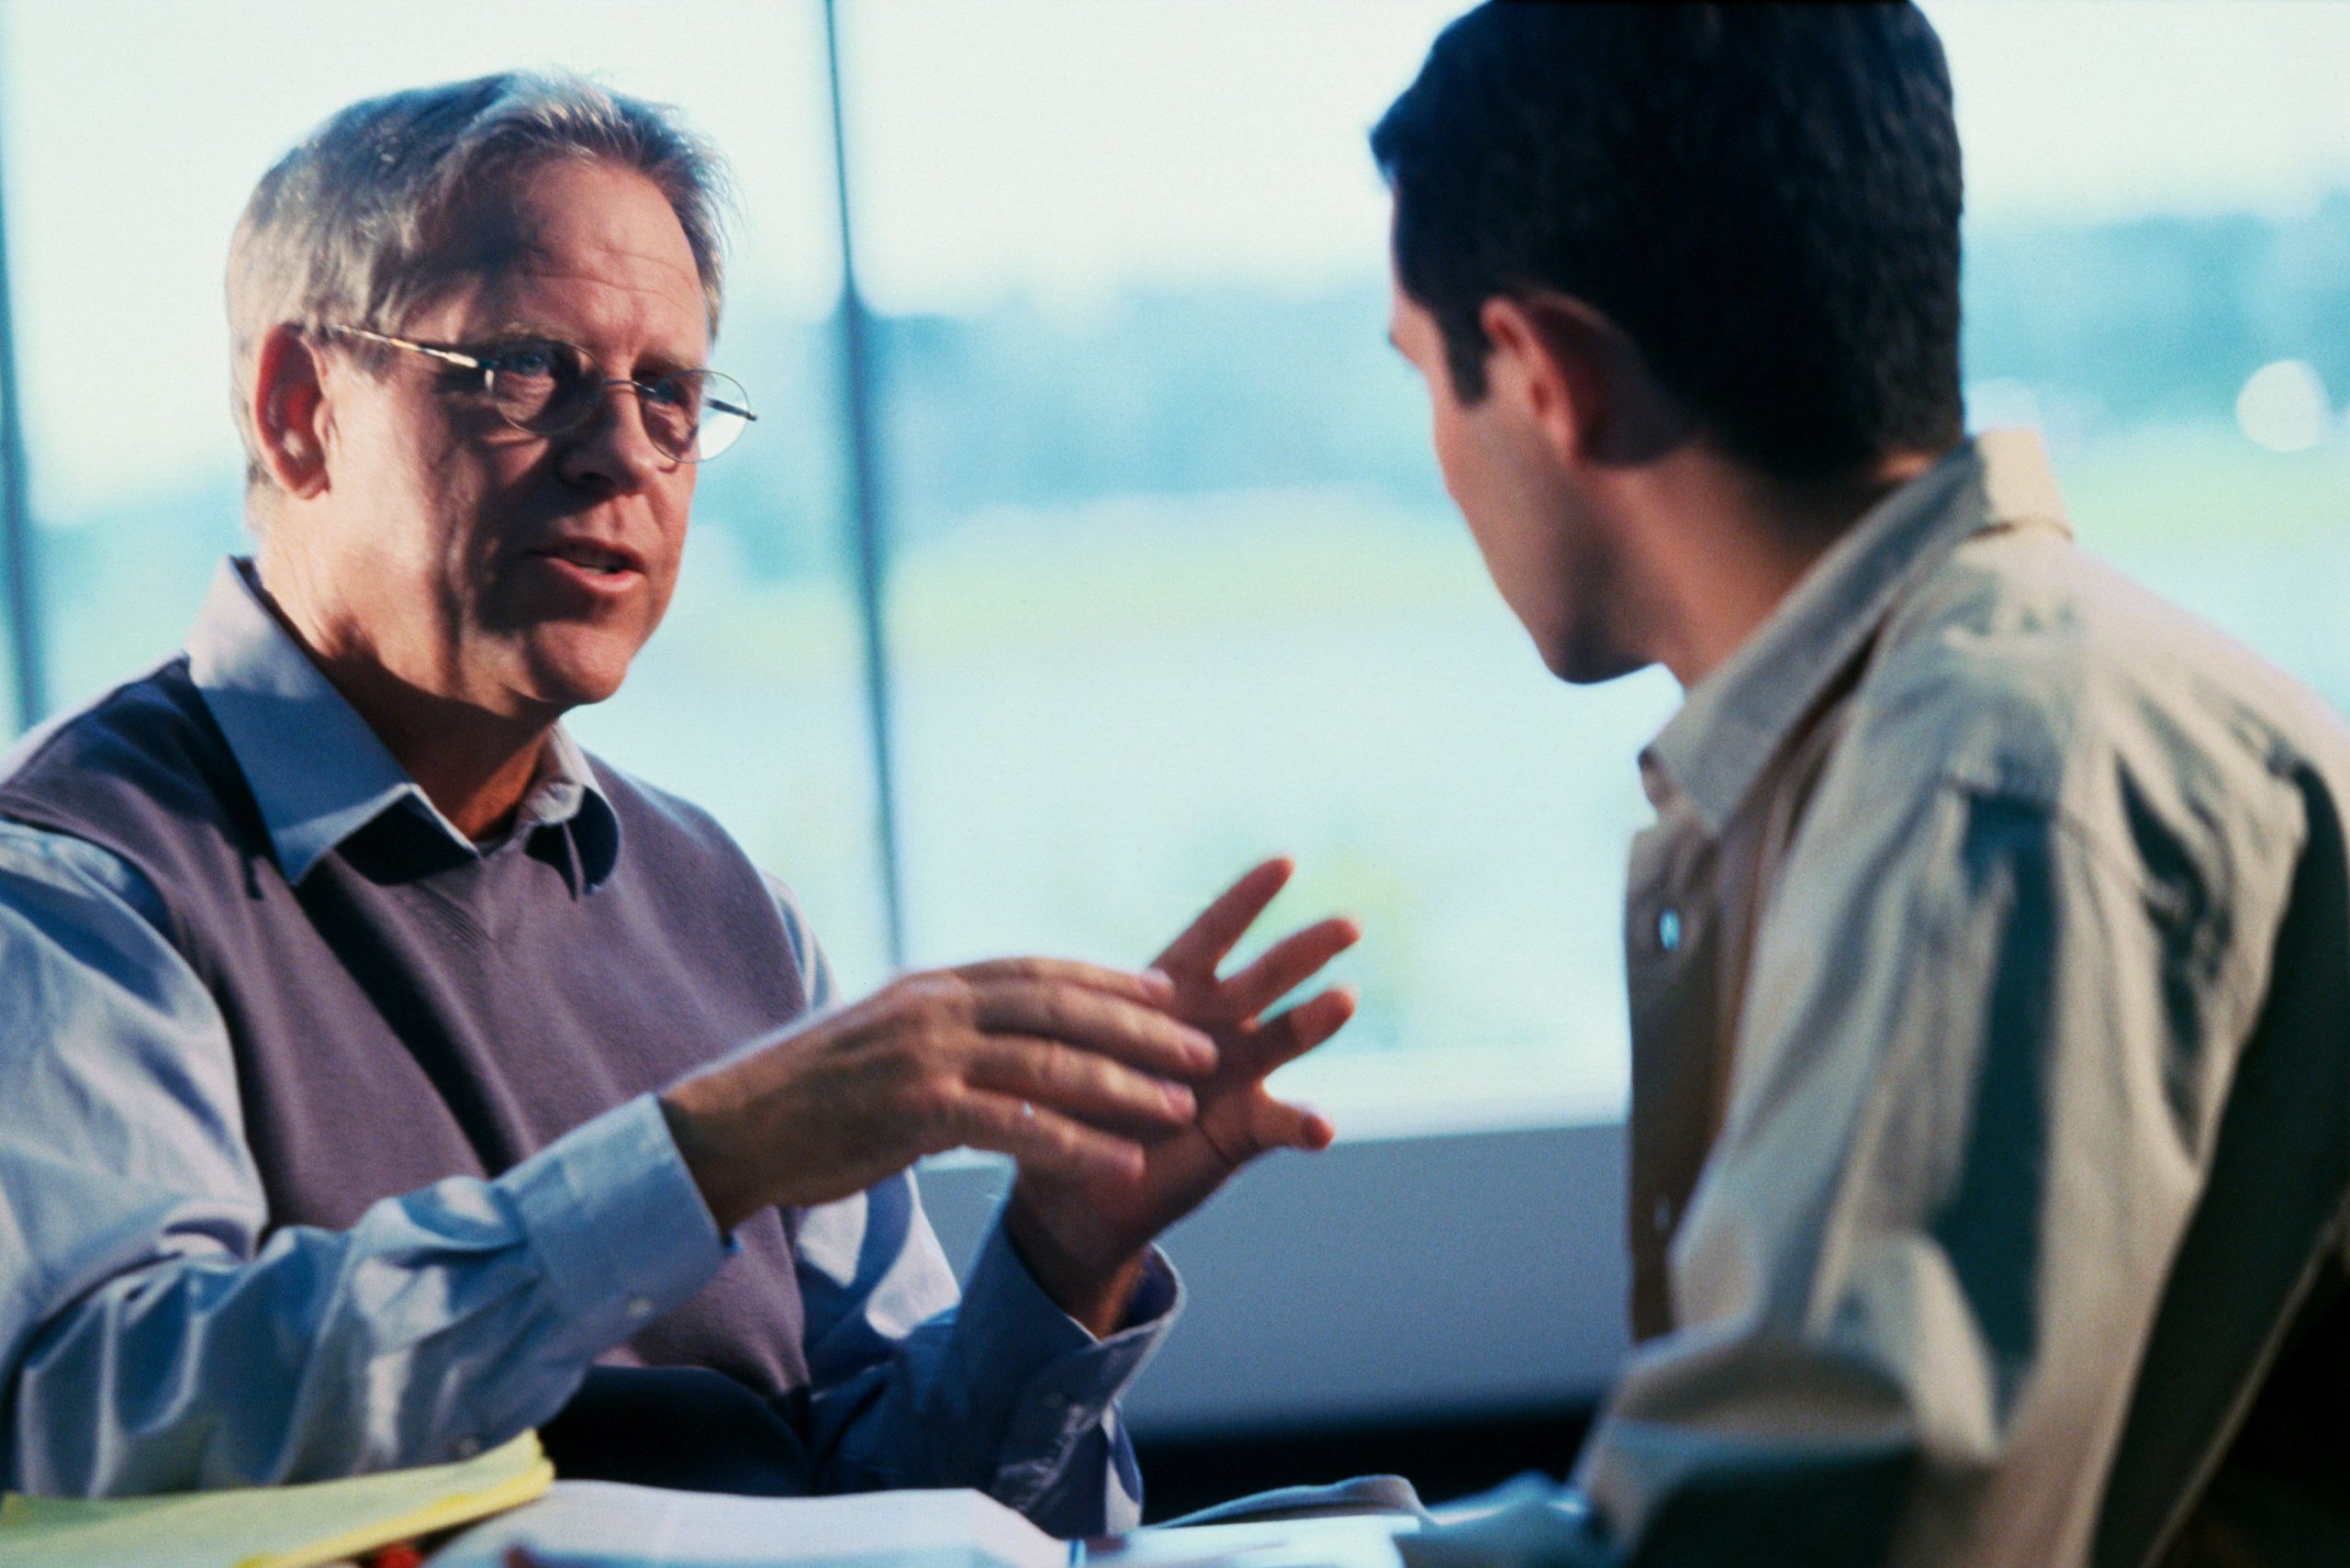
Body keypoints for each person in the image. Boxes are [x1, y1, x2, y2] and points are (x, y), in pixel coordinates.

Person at [0, 73, 1360, 1536]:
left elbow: (905, 1512)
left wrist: (1056, 1263)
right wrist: (699, 1162)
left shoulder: (721, 901)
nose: (621, 457)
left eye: (671, 396)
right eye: (523, 369)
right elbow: (97, 1410)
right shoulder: (77, 879)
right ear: (299, 410)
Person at [1373, 5, 2350, 1563]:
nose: (1434, 450)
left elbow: (1800, 1536)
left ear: (1544, 373)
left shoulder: (1983, 789)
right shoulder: (1962, 723)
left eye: (1426, 372)